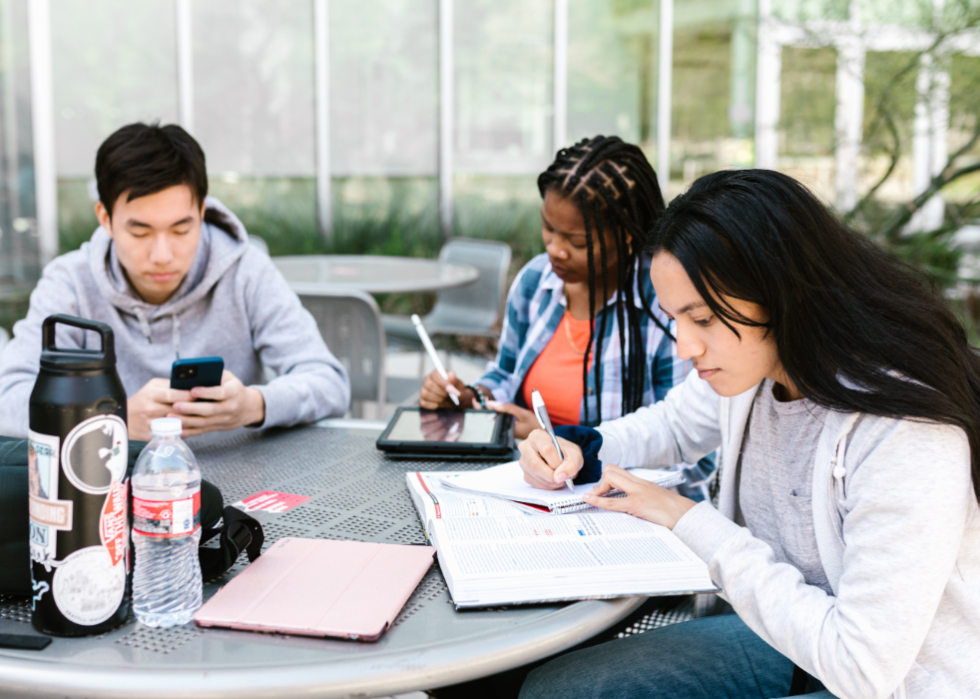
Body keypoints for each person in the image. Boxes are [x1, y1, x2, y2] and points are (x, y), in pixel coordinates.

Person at [516, 169, 980, 699]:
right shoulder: (752, 370)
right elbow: (672, 424)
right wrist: (579, 448)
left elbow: (861, 668)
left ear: (781, 293)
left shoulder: (904, 430)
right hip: (788, 642)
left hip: (897, 682)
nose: (685, 346)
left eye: (704, 319)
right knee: (557, 690)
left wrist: (690, 520)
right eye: (675, 319)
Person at [0, 123, 350, 441]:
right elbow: (7, 397)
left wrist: (253, 404)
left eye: (181, 229)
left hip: (241, 482)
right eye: (140, 232)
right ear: (105, 218)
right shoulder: (71, 283)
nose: (163, 255)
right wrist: (108, 417)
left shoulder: (245, 271)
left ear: (201, 213)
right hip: (111, 487)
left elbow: (329, 381)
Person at [420, 135, 714, 495]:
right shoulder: (535, 282)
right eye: (548, 228)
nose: (555, 250)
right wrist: (471, 398)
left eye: (577, 242)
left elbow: (691, 448)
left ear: (625, 235)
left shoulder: (664, 303)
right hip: (531, 488)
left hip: (628, 507)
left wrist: (559, 440)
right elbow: (505, 374)